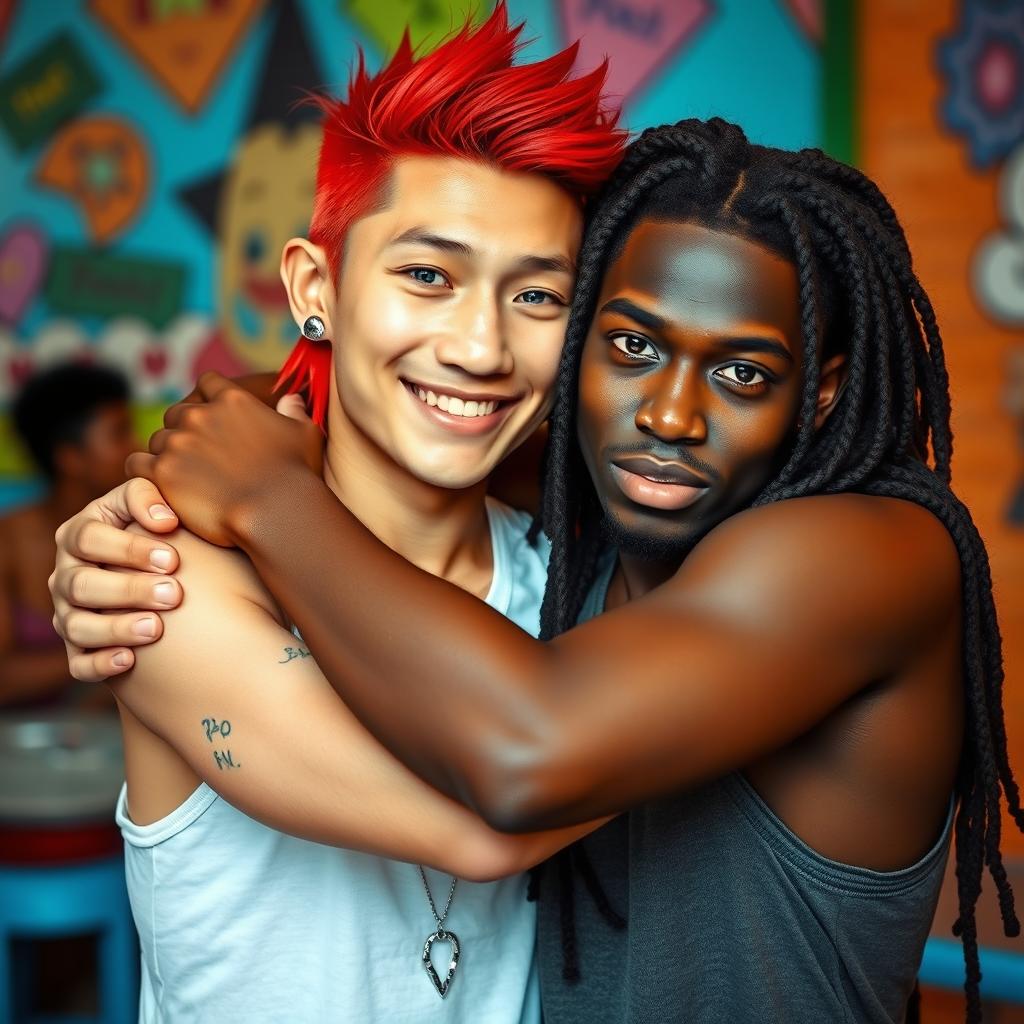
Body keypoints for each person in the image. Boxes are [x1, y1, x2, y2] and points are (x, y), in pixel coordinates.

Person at [53, 119, 1021, 1023]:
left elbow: (527, 754)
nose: (671, 414)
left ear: (822, 393)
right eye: (632, 346)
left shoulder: (866, 551)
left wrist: (263, 495)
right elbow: (413, 400)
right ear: (582, 351)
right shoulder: (592, 512)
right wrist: (136, 513)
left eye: (741, 374)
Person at [44, 9, 626, 1021]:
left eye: (538, 298)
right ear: (317, 286)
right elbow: (487, 829)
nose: (481, 346)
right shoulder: (167, 576)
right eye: (426, 276)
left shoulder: (568, 579)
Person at [1, 363, 136, 709]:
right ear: (70, 458)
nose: (136, 445)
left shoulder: (140, 535)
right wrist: (113, 648)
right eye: (119, 433)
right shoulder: (7, 543)